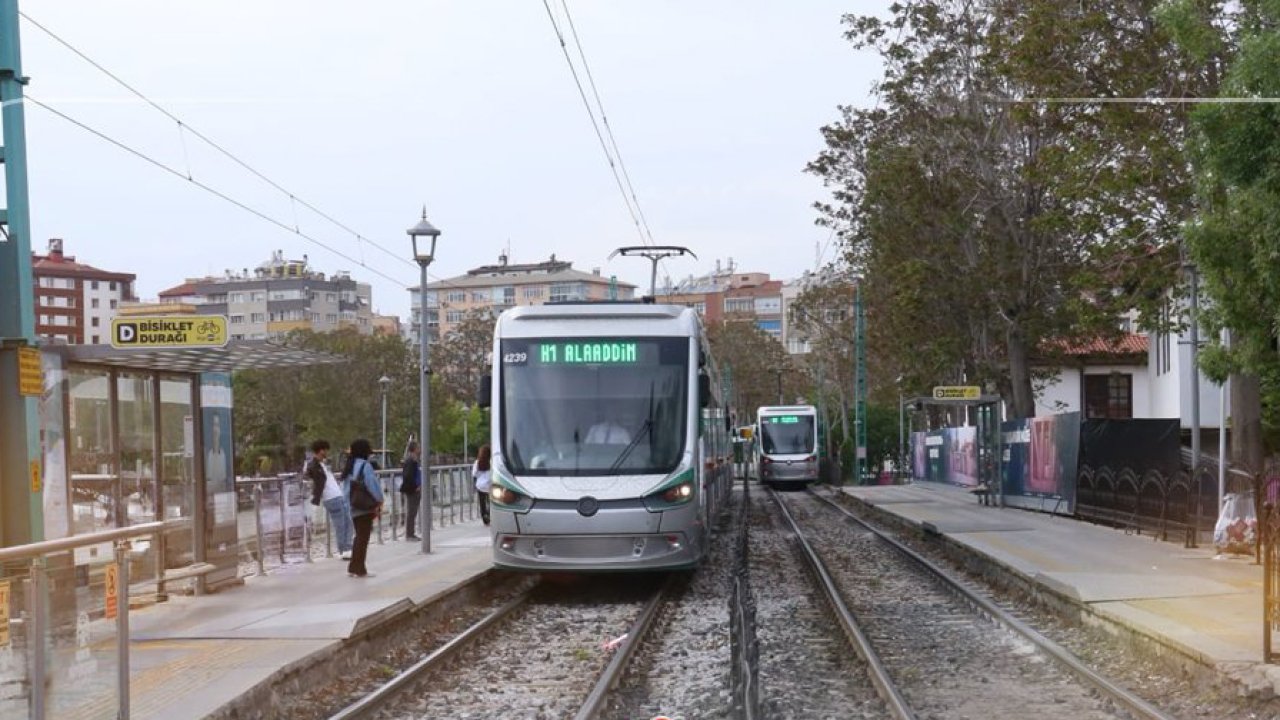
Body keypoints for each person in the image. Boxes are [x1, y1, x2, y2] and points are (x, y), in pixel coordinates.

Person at [306, 439, 353, 560]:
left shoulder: (322, 464)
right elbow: (312, 478)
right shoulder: (314, 465)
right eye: (326, 450)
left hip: (337, 496)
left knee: (348, 523)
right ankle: (344, 550)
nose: (327, 452)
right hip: (332, 498)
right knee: (341, 525)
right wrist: (315, 496)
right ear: (321, 450)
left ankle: (347, 548)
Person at [344, 438, 384, 578]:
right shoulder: (365, 466)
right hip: (364, 506)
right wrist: (380, 500)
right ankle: (359, 569)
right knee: (363, 538)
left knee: (358, 537)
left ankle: (353, 567)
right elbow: (372, 485)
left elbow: (346, 489)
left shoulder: (349, 465)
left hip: (353, 505)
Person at [401, 441, 422, 541]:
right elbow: (408, 476)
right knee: (411, 512)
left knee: (413, 512)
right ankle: (409, 534)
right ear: (414, 448)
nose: (420, 449)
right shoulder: (410, 460)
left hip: (415, 489)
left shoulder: (413, 460)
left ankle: (411, 533)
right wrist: (415, 486)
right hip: (413, 490)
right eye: (418, 447)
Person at [473, 444, 492, 526]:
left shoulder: (477, 462)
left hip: (480, 486)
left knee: (482, 502)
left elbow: (474, 474)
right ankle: (489, 513)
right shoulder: (492, 462)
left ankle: (484, 516)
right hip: (490, 485)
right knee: (491, 502)